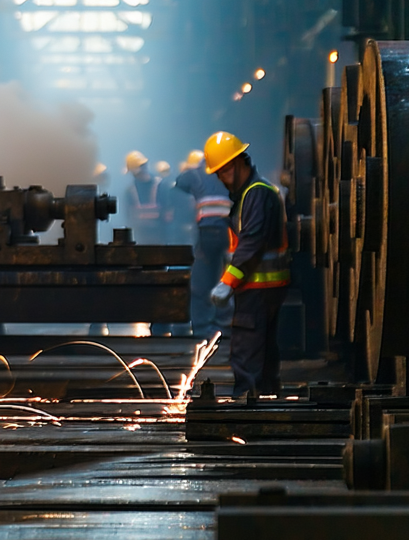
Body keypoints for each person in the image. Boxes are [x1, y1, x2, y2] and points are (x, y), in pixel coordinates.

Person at [204, 131, 289, 398]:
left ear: (240, 162)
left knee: (246, 345)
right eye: (217, 173)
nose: (222, 178)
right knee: (263, 350)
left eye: (224, 170)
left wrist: (227, 283)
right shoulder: (251, 193)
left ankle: (245, 402)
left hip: (258, 285)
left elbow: (251, 242)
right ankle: (265, 397)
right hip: (262, 285)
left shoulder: (256, 194)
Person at [173, 149, 233, 339]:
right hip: (228, 233)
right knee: (225, 280)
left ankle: (201, 328)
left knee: (201, 282)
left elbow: (180, 183)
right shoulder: (225, 173)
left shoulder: (195, 174)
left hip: (207, 233)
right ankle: (223, 324)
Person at [123, 151, 165, 244]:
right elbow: (128, 216)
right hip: (140, 237)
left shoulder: (160, 186)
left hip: (160, 235)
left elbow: (169, 213)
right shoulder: (130, 191)